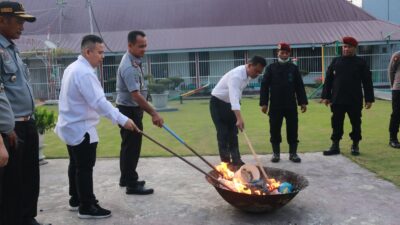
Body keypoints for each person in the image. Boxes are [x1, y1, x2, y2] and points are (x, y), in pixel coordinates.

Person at [55, 34, 138, 219]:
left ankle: (76, 199)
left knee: (76, 164)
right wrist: (123, 120)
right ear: (87, 51)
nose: (102, 57)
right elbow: (100, 103)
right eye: (100, 52)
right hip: (80, 127)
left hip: (70, 125)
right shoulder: (83, 72)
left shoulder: (72, 68)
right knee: (84, 167)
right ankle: (87, 206)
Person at [0, 2, 46, 224]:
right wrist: (6, 128)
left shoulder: (11, 48)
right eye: (19, 21)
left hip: (27, 122)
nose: (22, 27)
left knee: (30, 177)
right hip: (11, 127)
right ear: (2, 20)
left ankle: (28, 218)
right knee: (12, 183)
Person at [116, 30, 163, 195]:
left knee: (128, 146)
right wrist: (154, 113)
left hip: (131, 109)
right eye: (140, 46)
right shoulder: (128, 66)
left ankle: (126, 178)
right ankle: (131, 184)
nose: (144, 49)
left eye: (145, 45)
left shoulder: (134, 60)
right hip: (129, 110)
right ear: (130, 46)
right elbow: (136, 95)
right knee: (132, 148)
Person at [321, 36, 375, 156]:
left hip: (354, 99)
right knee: (336, 123)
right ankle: (335, 145)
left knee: (356, 123)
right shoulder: (336, 61)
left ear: (354, 48)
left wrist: (369, 98)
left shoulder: (361, 63)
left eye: (349, 47)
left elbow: (367, 82)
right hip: (337, 99)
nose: (346, 49)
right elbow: (328, 80)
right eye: (344, 46)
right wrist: (326, 96)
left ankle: (355, 145)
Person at [210, 56, 266, 168]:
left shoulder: (247, 75)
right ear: (249, 65)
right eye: (256, 71)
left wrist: (237, 116)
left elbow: (237, 95)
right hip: (218, 103)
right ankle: (226, 163)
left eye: (260, 72)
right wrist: (239, 118)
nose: (257, 74)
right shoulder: (237, 76)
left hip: (229, 104)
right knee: (223, 133)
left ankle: (236, 160)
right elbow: (233, 97)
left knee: (233, 133)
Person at [259, 42, 308, 163]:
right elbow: (264, 86)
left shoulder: (293, 68)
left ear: (289, 54)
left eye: (286, 53)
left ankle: (293, 154)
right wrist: (264, 103)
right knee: (274, 129)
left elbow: (299, 86)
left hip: (290, 105)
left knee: (293, 129)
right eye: (282, 52)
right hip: (275, 105)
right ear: (278, 53)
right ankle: (276, 154)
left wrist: (303, 102)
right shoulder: (271, 68)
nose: (284, 54)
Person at [388, 51, 400, 149]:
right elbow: (391, 71)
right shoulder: (397, 55)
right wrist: (393, 85)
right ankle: (393, 139)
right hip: (398, 89)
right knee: (396, 114)